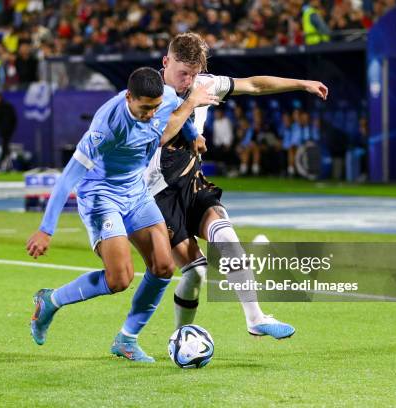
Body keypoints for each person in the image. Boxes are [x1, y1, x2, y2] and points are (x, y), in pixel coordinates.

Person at [26, 67, 218, 362]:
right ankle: (50, 301)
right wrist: (46, 229)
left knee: (164, 266)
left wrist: (193, 135)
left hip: (136, 192)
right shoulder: (107, 125)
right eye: (143, 109)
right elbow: (67, 179)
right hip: (102, 197)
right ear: (129, 97)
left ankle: (126, 340)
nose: (150, 115)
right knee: (119, 279)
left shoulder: (163, 97)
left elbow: (180, 112)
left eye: (154, 109)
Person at [145, 32, 328, 337]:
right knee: (196, 273)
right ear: (166, 62)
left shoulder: (202, 84)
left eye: (194, 74)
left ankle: (255, 318)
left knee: (224, 233)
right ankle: (180, 336)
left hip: (191, 180)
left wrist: (302, 83)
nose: (189, 81)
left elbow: (254, 84)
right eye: (182, 73)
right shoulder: (147, 91)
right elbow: (161, 136)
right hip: (156, 194)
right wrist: (191, 104)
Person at [0, 93, 17, 172]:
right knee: (6, 148)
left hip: (6, 131)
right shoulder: (2, 106)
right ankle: (9, 167)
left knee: (5, 148)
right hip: (6, 130)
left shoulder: (4, 107)